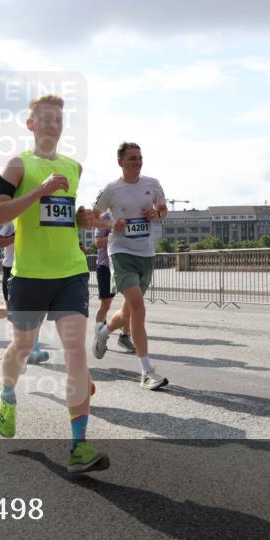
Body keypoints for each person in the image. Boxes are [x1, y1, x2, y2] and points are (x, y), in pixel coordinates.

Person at [0, 93, 108, 474]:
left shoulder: (74, 167)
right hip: (29, 275)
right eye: (45, 118)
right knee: (22, 347)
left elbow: (64, 216)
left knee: (76, 354)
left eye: (58, 119)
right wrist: (39, 190)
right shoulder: (17, 165)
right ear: (30, 124)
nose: (53, 124)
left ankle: (79, 446)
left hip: (71, 271)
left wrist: (83, 219)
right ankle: (7, 394)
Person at [92, 142, 170, 390]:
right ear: (121, 162)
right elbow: (92, 216)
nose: (138, 162)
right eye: (132, 158)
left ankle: (104, 332)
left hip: (146, 253)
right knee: (138, 307)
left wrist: (156, 214)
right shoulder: (112, 189)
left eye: (140, 158)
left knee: (128, 312)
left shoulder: (152, 184)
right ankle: (147, 371)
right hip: (121, 253)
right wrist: (111, 225)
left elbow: (163, 210)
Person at [0, 221, 50, 364]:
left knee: (39, 309)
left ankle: (33, 349)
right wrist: (18, 236)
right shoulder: (9, 221)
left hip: (35, 268)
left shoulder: (39, 216)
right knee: (12, 311)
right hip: (12, 269)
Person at [93, 211, 135, 354]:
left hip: (125, 266)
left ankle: (124, 336)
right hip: (106, 266)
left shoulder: (131, 214)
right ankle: (100, 337)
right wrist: (115, 233)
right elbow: (98, 243)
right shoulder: (105, 217)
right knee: (106, 305)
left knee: (130, 303)